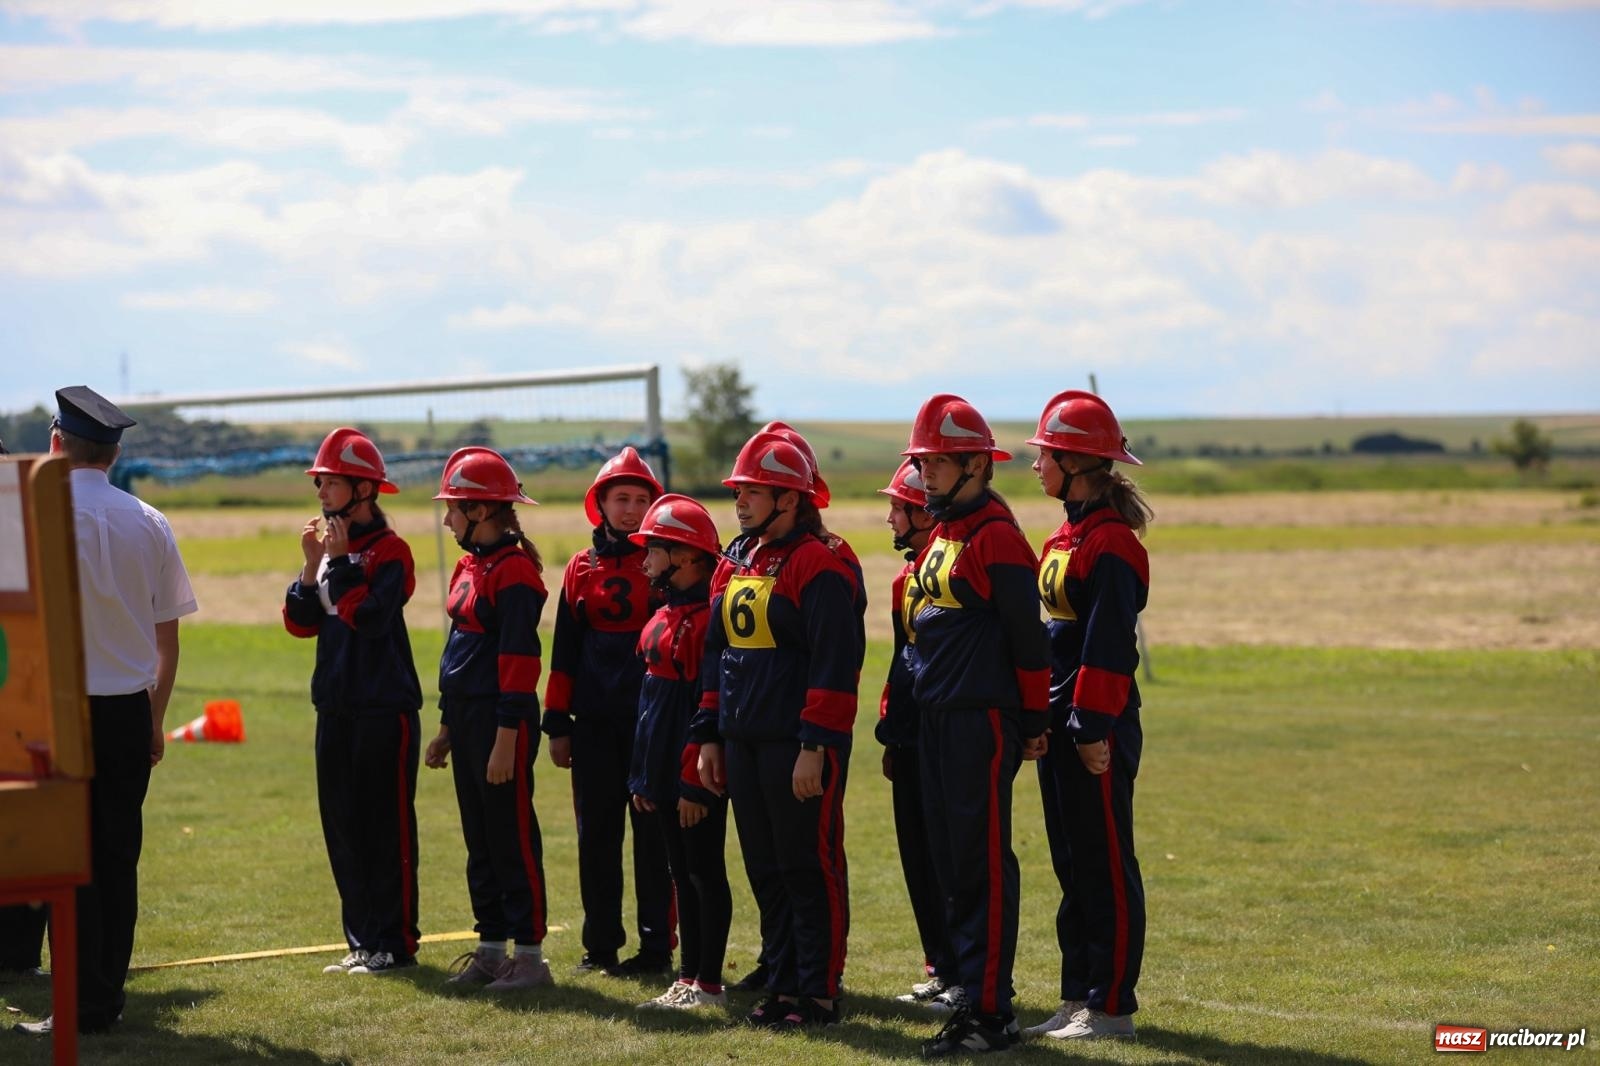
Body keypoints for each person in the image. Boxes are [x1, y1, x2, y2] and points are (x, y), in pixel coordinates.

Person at [14, 386, 197, 1037]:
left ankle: (73, 1003)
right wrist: (155, 715)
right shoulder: (149, 520)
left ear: (56, 443)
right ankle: (101, 1001)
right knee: (116, 860)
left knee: (58, 859)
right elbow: (167, 636)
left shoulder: (26, 517)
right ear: (116, 453)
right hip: (125, 710)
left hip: (51, 716)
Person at [692, 430, 862, 1031]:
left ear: (789, 499)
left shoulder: (822, 561)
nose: (739, 500)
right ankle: (783, 982)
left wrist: (814, 746)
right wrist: (710, 734)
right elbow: (717, 651)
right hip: (742, 740)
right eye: (738, 490)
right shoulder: (738, 556)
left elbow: (834, 662)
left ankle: (818, 992)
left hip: (797, 745)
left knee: (807, 866)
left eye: (751, 491)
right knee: (765, 868)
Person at [898, 394, 1049, 1058]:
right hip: (936, 720)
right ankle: (967, 992)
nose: (923, 475)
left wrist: (1034, 719)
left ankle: (992, 1013)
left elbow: (1028, 639)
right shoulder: (946, 531)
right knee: (952, 866)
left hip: (978, 722)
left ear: (974, 465)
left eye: (935, 463)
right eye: (921, 463)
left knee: (982, 865)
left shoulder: (998, 536)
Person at [1021, 390, 1150, 1042]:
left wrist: (1091, 728)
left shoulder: (1113, 544)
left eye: (1045, 453)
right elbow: (1055, 642)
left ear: (1076, 461)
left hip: (1094, 729)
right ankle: (1078, 998)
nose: (1036, 462)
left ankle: (1111, 1007)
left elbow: (1108, 645)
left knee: (1104, 864)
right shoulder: (1065, 535)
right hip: (1065, 725)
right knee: (1073, 866)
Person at [282, 427, 423, 976]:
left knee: (385, 828)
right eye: (319, 481)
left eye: (331, 482)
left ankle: (396, 943)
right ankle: (363, 942)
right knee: (342, 826)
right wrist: (309, 566)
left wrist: (337, 564)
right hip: (335, 709)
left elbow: (369, 619)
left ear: (364, 490)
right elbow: (299, 623)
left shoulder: (392, 553)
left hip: (383, 710)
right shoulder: (328, 550)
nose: (320, 491)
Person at [424, 447, 554, 992]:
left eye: (453, 507)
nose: (446, 516)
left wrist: (504, 740)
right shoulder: (469, 563)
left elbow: (520, 665)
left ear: (480, 511)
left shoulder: (517, 571)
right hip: (471, 720)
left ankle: (528, 957)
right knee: (479, 836)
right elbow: (460, 651)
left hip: (505, 722)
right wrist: (449, 726)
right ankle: (489, 948)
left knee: (510, 834)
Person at [541, 447, 674, 977]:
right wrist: (556, 722)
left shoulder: (667, 563)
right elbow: (564, 652)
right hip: (594, 725)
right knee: (596, 837)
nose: (632, 509)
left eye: (643, 500)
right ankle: (599, 947)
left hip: (651, 726)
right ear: (600, 503)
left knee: (652, 840)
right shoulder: (580, 567)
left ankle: (657, 949)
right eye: (622, 498)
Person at [624, 494, 732, 1012]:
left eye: (655, 549)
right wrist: (645, 776)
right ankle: (687, 978)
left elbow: (705, 708)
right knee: (678, 871)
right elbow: (652, 703)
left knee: (702, 871)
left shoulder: (711, 620)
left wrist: (692, 782)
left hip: (692, 775)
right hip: (660, 769)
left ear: (687, 556)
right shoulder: (665, 612)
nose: (645, 560)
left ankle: (708, 982)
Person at [873, 459, 958, 1012]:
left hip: (944, 732)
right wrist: (890, 728)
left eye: (897, 508)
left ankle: (964, 975)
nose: (889, 519)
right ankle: (939, 966)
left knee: (948, 856)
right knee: (916, 856)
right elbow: (902, 659)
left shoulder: (947, 571)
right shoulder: (906, 578)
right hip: (908, 734)